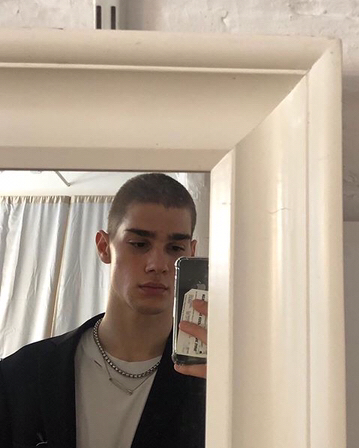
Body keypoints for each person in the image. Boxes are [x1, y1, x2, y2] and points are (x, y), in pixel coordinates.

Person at [0, 173, 207, 448]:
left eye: (175, 248)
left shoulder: (211, 382)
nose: (158, 264)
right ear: (103, 247)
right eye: (139, 244)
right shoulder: (21, 375)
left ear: (191, 253)